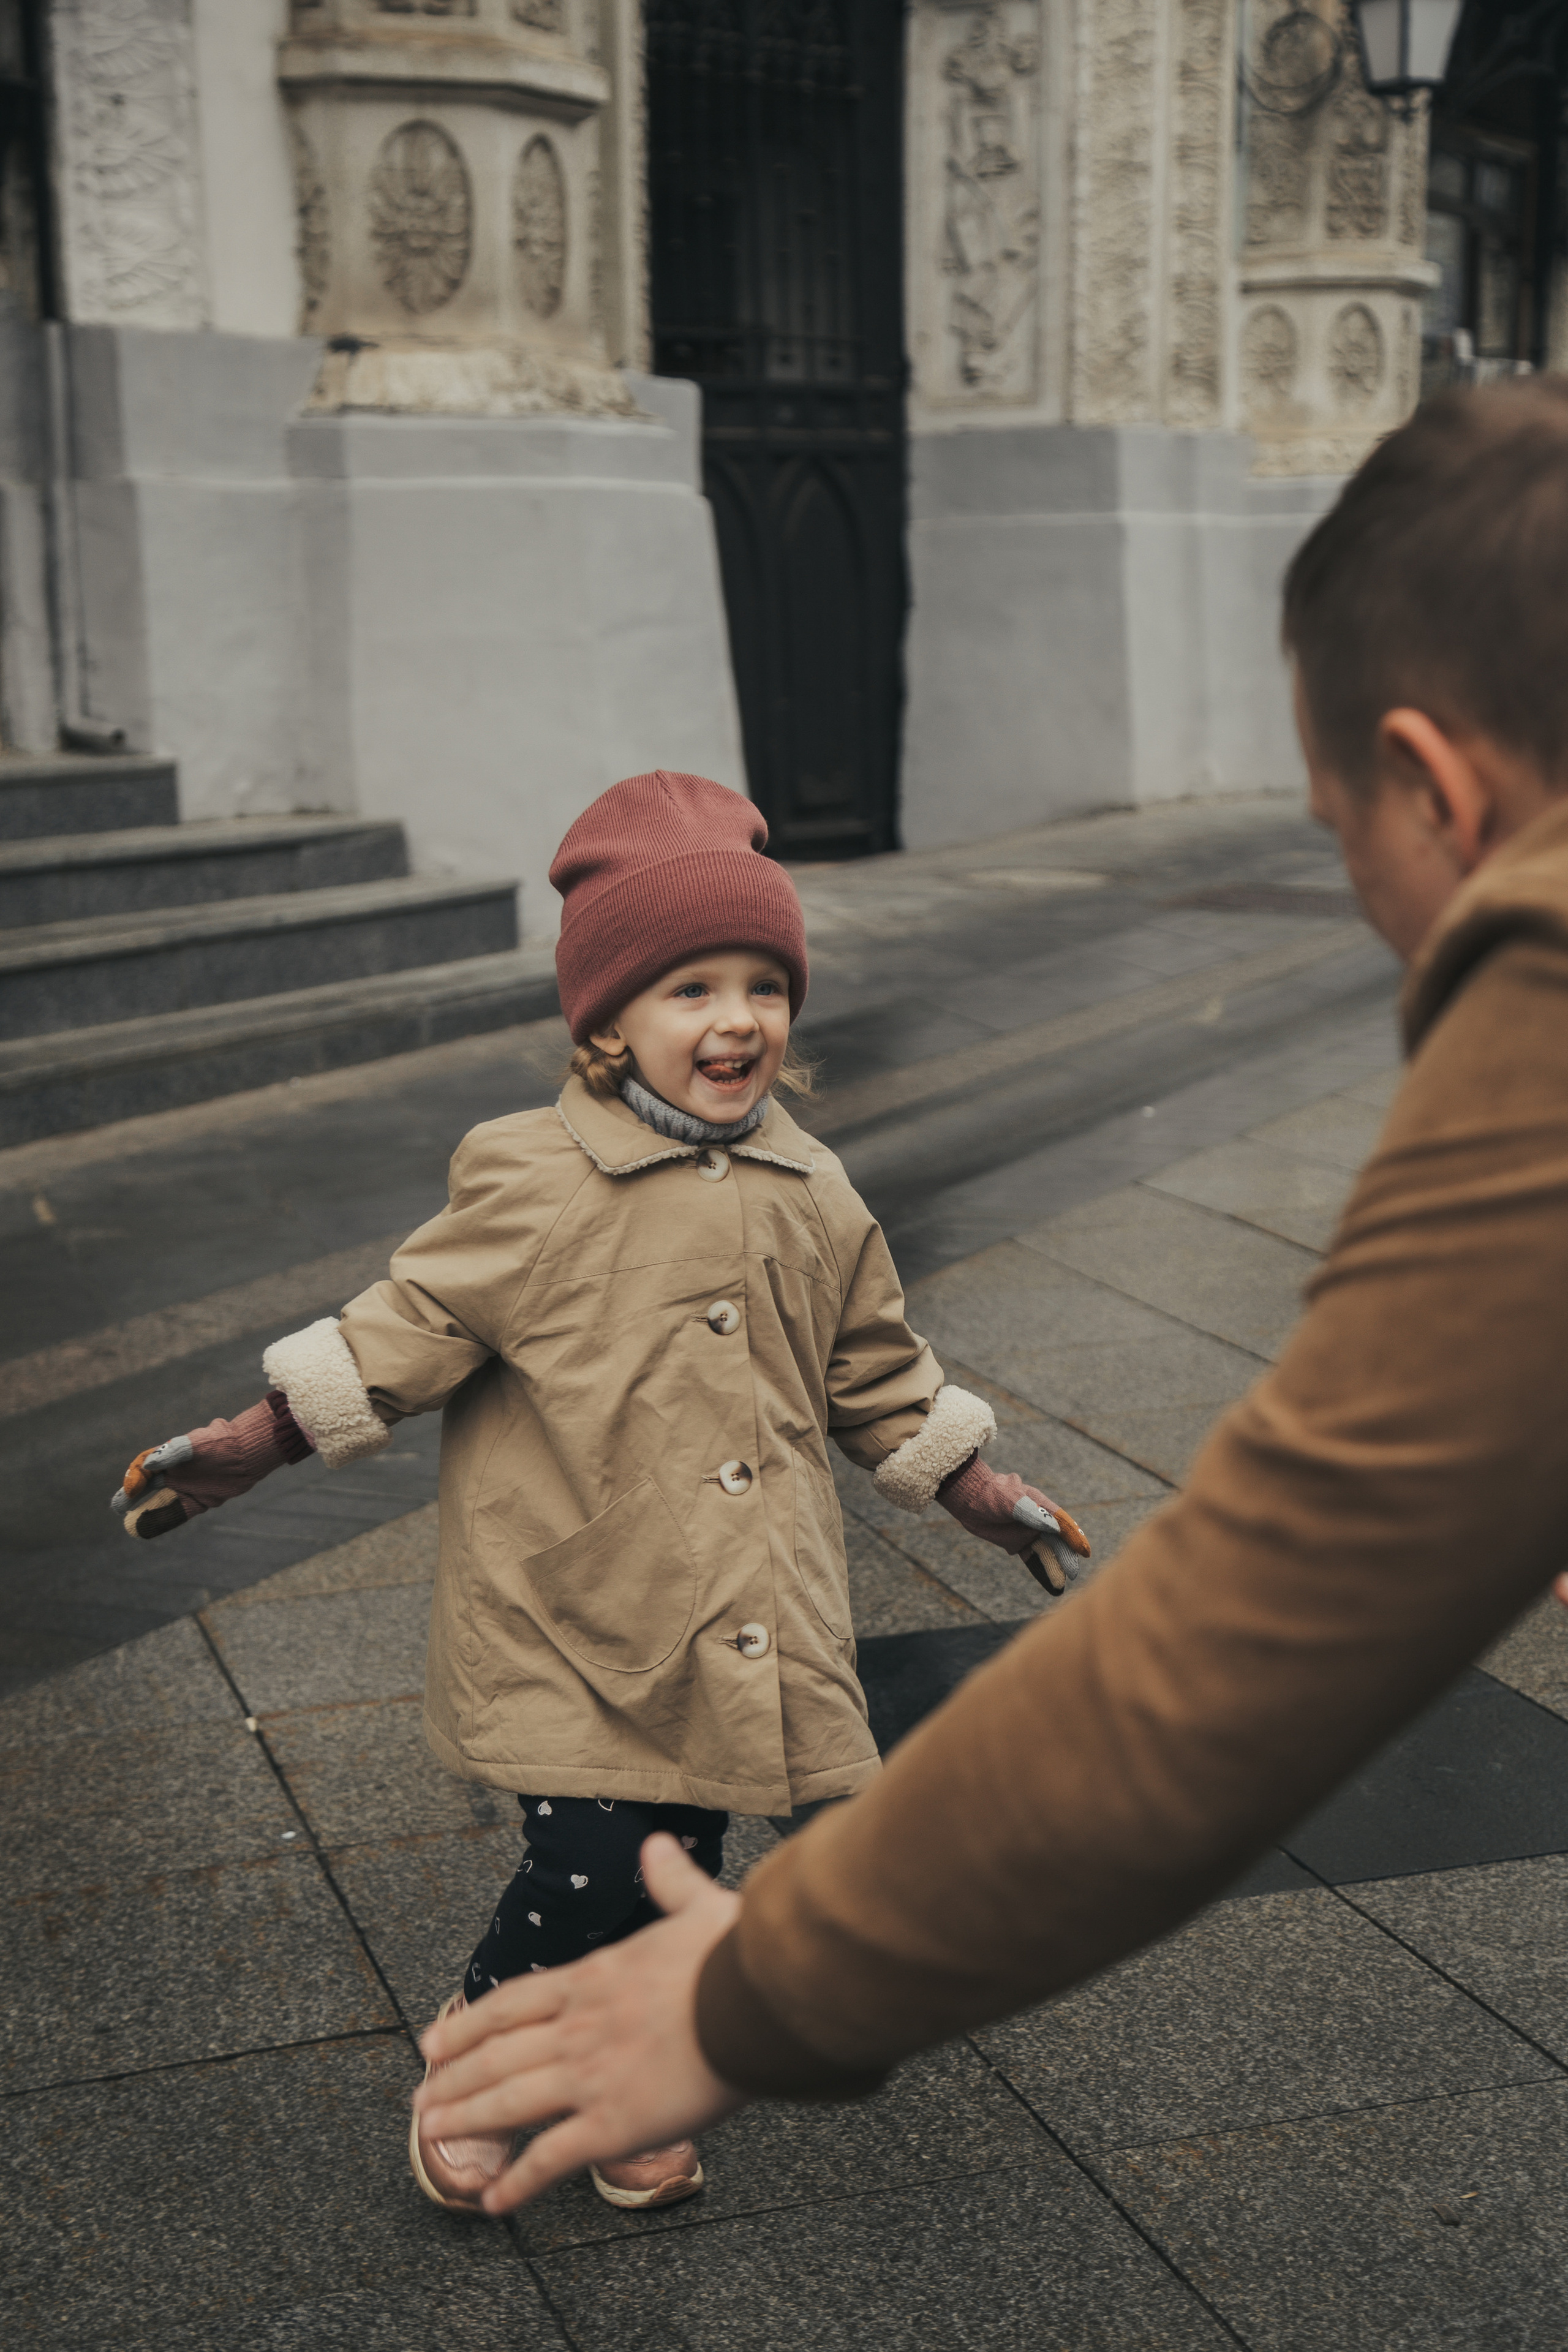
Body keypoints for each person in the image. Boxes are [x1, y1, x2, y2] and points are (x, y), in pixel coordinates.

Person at [408, 376, 1568, 2217]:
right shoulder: (540, 1172)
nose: (1364, 896)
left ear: (1436, 787)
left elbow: (1231, 1663)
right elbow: (414, 1325)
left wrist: (755, 1993)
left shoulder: (1547, 1041)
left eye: (1347, 837)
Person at [111, 769, 1088, 2212]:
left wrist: (974, 1485)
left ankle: (623, 2083)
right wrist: (264, 1435)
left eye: (763, 984)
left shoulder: (814, 1186)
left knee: (674, 1855)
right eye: (690, 987)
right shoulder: (536, 1176)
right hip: (579, 1604)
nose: (737, 1019)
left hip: (742, 1602)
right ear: (606, 1019)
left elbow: (873, 1368)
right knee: (591, 1860)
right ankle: (474, 2053)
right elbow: (404, 1329)